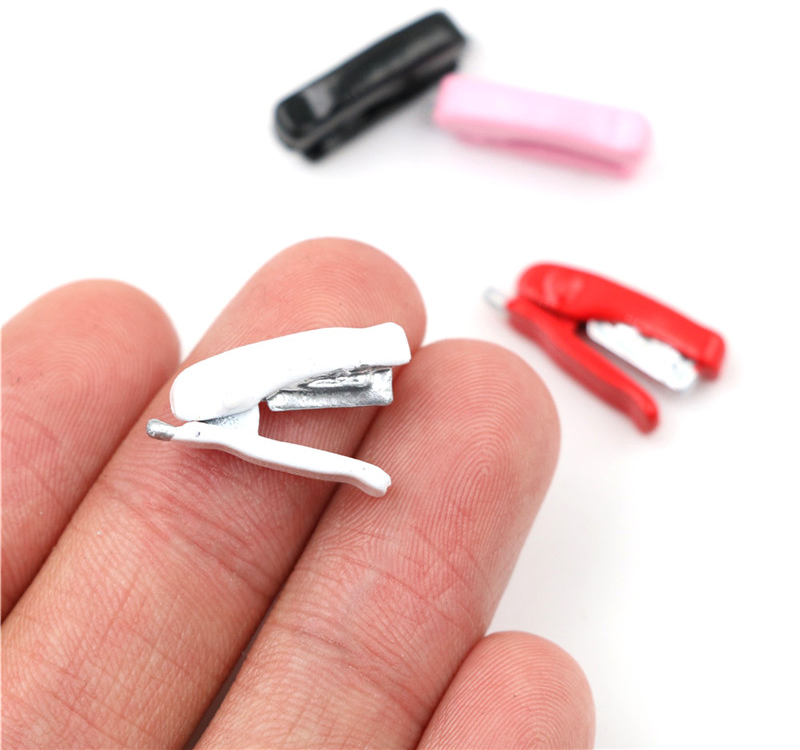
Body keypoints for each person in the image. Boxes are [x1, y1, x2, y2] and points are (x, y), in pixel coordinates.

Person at [1, 238, 594, 748]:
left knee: (363, 356)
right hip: (254, 385)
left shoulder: (218, 392)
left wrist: (199, 432)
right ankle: (373, 349)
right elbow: (238, 429)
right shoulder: (207, 405)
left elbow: (278, 390)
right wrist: (197, 434)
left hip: (286, 370)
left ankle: (374, 348)